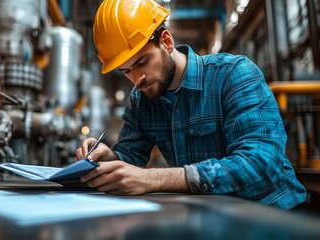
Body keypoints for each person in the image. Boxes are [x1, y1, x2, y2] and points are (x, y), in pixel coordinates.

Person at [75, 0, 306, 210]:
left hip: (273, 213)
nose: (136, 79)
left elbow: (259, 166)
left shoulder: (233, 74)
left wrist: (152, 179)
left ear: (166, 41)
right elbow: (129, 161)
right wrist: (109, 160)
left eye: (142, 62)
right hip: (215, 218)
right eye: (126, 71)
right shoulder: (140, 101)